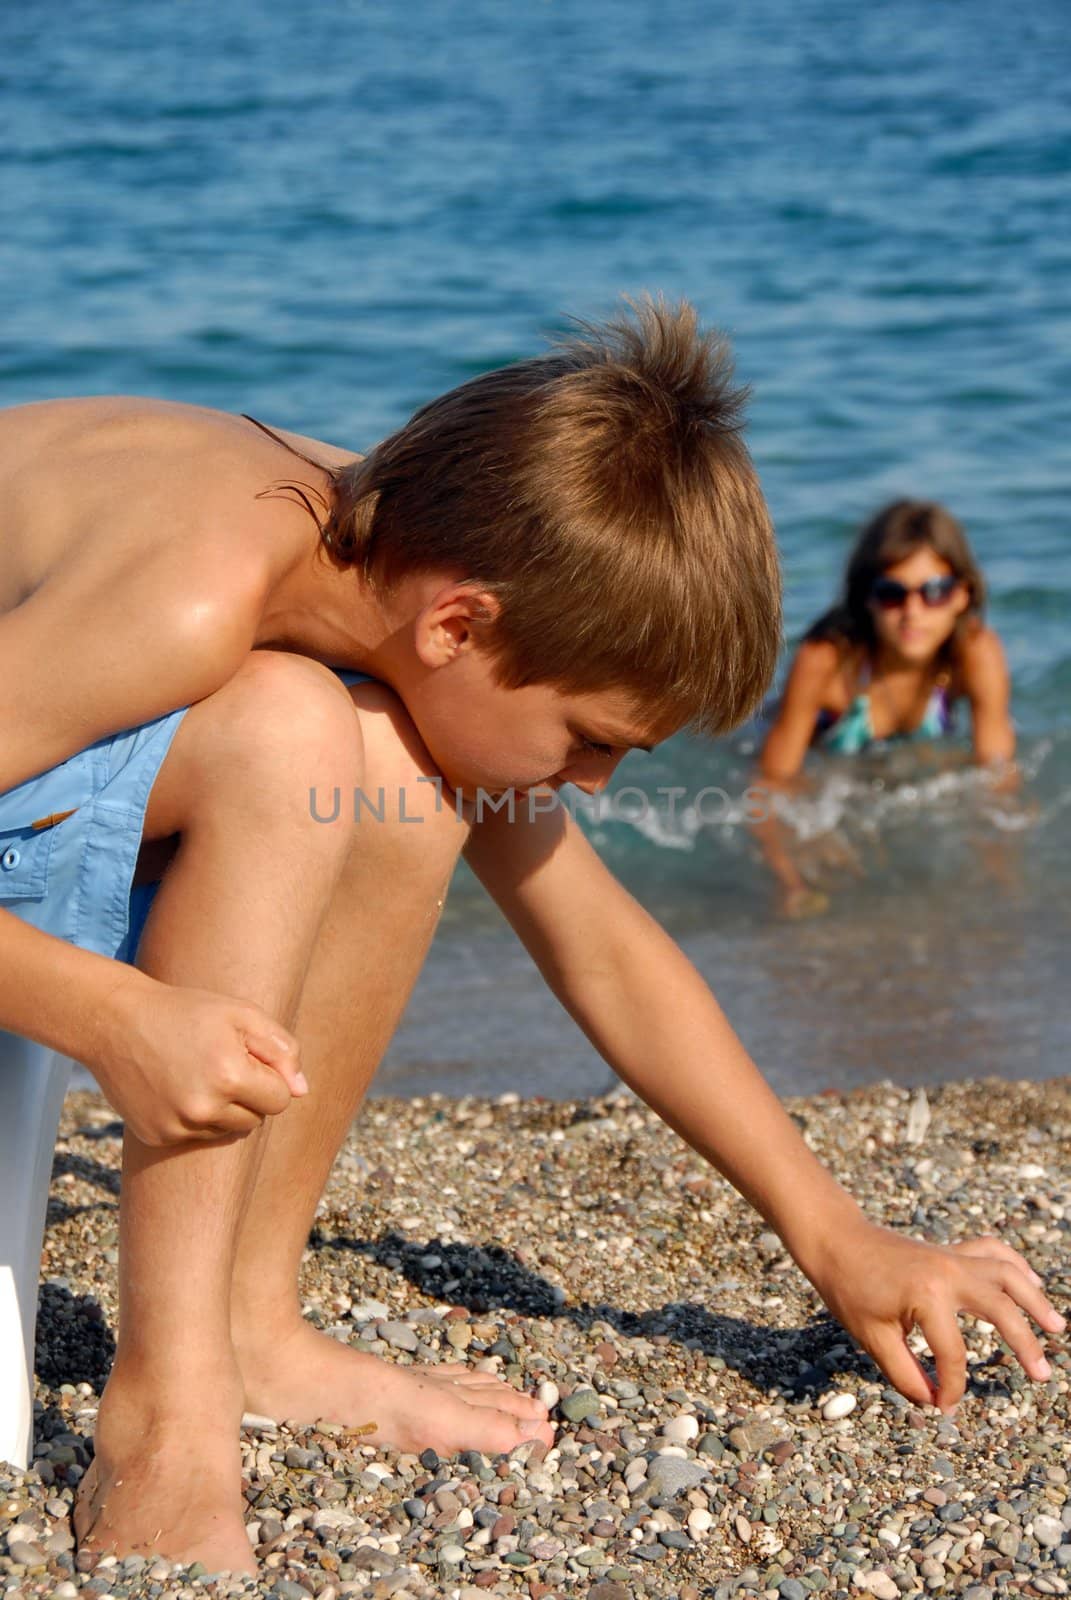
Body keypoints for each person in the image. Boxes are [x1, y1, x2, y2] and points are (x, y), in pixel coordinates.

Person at [0, 306, 1060, 1573]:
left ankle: (248, 1322)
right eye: (593, 739)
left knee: (388, 774)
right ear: (461, 626)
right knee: (291, 733)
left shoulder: (409, 562)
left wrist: (830, 1231)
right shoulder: (192, 594)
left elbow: (598, 941)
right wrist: (114, 1018)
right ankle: (167, 1409)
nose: (597, 783)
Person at [755, 500, 1016, 916]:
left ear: (962, 595)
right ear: (868, 598)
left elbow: (999, 776)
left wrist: (999, 870)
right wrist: (790, 875)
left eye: (934, 591)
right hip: (806, 742)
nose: (913, 613)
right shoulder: (828, 660)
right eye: (892, 594)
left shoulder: (975, 654)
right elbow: (772, 783)